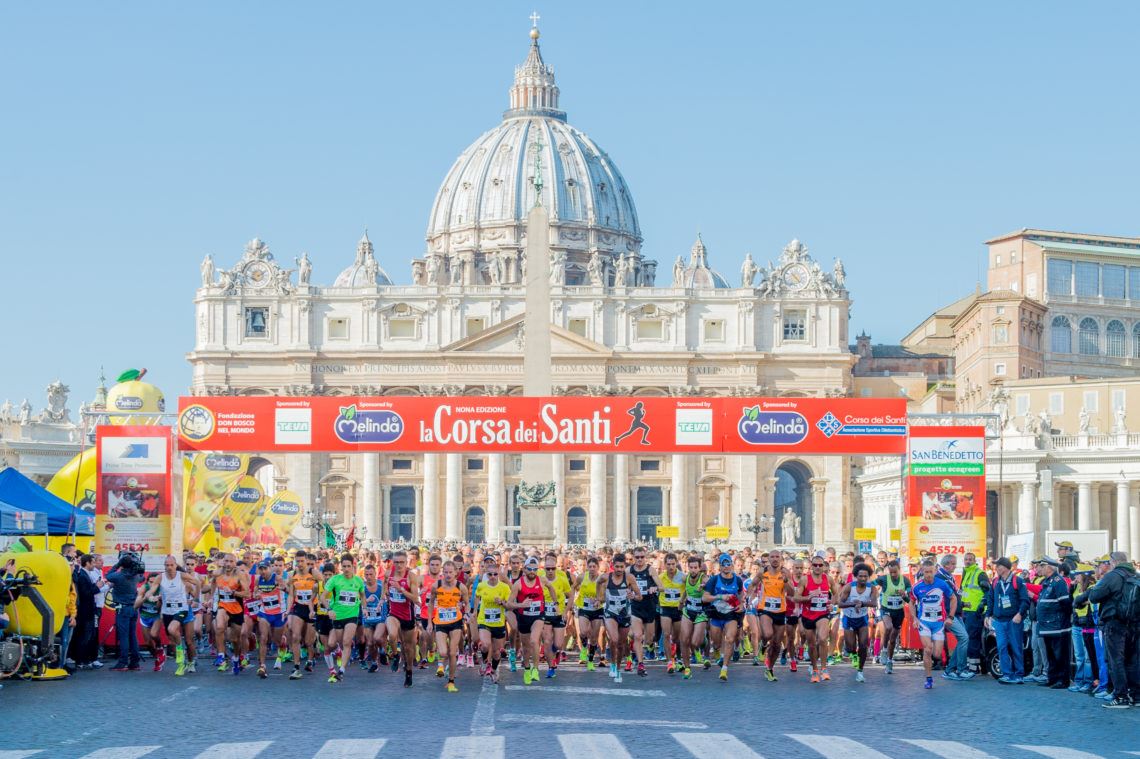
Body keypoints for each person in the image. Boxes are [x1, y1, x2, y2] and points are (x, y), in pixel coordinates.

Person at [1074, 550, 1139, 708]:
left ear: (1114, 562)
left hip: (1115, 622)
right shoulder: (1136, 576)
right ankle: (1136, 696)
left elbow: (1095, 596)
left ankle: (1120, 696)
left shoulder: (1113, 576)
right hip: (1135, 623)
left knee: (1115, 660)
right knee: (1133, 660)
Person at [507, 556, 556, 685]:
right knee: (526, 647)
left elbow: (551, 588)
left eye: (535, 569)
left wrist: (555, 602)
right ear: (524, 569)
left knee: (534, 641)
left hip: (538, 616)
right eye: (530, 569)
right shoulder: (518, 584)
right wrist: (520, 605)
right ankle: (527, 668)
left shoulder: (542, 580)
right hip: (523, 617)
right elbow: (509, 604)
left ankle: (535, 668)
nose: (532, 572)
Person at [911, 559, 957, 690]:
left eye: (931, 572)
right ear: (922, 571)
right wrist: (915, 618)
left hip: (938, 623)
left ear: (935, 571)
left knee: (937, 654)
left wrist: (951, 617)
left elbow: (953, 598)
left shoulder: (941, 584)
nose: (929, 575)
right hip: (924, 622)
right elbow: (911, 602)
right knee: (928, 649)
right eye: (926, 572)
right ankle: (928, 678)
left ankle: (933, 662)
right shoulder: (917, 586)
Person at [794, 554, 838, 683]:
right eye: (815, 565)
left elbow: (836, 594)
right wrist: (808, 597)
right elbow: (796, 598)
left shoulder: (828, 579)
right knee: (812, 645)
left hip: (822, 613)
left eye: (820, 565)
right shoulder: (805, 580)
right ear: (811, 566)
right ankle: (814, 669)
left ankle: (824, 668)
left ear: (824, 566)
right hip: (808, 615)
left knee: (823, 639)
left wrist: (832, 604)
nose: (818, 567)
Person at [702, 553, 745, 682]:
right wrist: (720, 597)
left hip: (731, 613)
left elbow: (741, 595)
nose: (726, 567)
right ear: (719, 567)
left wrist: (741, 605)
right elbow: (704, 597)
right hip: (716, 613)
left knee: (730, 639)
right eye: (723, 564)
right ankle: (716, 651)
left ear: (732, 565)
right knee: (716, 642)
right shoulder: (714, 580)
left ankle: (724, 669)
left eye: (728, 564)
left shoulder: (737, 580)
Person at [986, 557, 1029, 684]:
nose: (996, 568)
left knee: (1016, 647)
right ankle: (1007, 674)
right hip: (998, 621)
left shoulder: (1018, 581)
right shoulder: (995, 582)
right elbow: (990, 599)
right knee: (1001, 647)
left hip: (1013, 620)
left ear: (1004, 567)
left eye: (998, 566)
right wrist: (988, 615)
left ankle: (1019, 674)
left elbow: (1024, 600)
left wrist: (1020, 614)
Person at [428, 559, 469, 693]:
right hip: (440, 621)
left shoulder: (461, 587)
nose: (448, 575)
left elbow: (467, 603)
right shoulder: (436, 585)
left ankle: (451, 681)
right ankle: (440, 664)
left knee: (452, 652)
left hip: (455, 621)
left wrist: (467, 614)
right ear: (442, 573)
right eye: (445, 572)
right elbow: (430, 603)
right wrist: (429, 622)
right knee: (443, 652)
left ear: (456, 573)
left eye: (450, 572)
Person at [323, 553, 364, 683]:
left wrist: (365, 608)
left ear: (353, 566)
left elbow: (362, 595)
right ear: (341, 567)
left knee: (346, 642)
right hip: (337, 616)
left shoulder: (358, 580)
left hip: (352, 615)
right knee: (339, 642)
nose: (346, 569)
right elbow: (323, 597)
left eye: (349, 566)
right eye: (344, 566)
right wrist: (329, 609)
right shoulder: (335, 580)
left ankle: (341, 671)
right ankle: (345, 649)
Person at [1035, 556, 1073, 690]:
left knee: (1060, 655)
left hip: (1057, 626)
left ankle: (1062, 680)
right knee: (1051, 655)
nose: (1040, 568)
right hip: (1047, 626)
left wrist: (1062, 620)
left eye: (1042, 566)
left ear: (1049, 567)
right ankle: (1052, 678)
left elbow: (1065, 604)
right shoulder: (1047, 581)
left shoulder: (1058, 582)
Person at [838, 562, 878, 683]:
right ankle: (853, 654)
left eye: (865, 576)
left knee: (863, 645)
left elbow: (874, 603)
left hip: (862, 618)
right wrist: (853, 603)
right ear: (856, 576)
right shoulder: (849, 587)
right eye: (860, 576)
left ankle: (860, 671)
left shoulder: (872, 588)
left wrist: (862, 604)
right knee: (850, 647)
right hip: (849, 618)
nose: (863, 578)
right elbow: (840, 603)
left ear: (869, 577)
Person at [474, 557, 511, 683]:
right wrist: (474, 612)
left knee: (496, 652)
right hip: (484, 620)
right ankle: (485, 663)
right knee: (485, 645)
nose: (493, 576)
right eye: (490, 574)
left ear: (499, 574)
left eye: (495, 574)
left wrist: (502, 602)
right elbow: (477, 597)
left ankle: (494, 669)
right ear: (486, 574)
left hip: (499, 622)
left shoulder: (504, 588)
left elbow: (509, 605)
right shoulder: (481, 586)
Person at [106, 552, 144, 672]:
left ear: (122, 564)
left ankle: (123, 662)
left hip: (122, 609)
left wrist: (118, 564)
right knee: (132, 636)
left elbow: (108, 575)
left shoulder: (118, 576)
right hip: (133, 609)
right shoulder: (136, 576)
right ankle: (135, 662)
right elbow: (142, 576)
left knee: (123, 636)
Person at [936, 554, 971, 680]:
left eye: (955, 564)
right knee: (964, 638)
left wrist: (962, 604)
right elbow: (945, 599)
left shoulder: (948, 576)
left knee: (963, 639)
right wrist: (948, 616)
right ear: (946, 564)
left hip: (955, 612)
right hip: (948, 614)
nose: (955, 566)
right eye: (953, 564)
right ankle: (960, 669)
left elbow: (955, 593)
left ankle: (950, 670)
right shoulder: (940, 577)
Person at [873, 559, 911, 674]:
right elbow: (871, 583)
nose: (893, 574)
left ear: (899, 570)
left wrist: (904, 594)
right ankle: (884, 650)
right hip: (886, 609)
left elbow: (908, 598)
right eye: (891, 572)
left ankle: (889, 661)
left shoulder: (905, 580)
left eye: (895, 572)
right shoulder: (884, 579)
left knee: (893, 639)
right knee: (888, 628)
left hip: (899, 611)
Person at [285, 552, 318, 679]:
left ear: (306, 561)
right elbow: (291, 595)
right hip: (298, 607)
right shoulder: (292, 574)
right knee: (295, 636)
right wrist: (288, 610)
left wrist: (316, 591)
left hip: (312, 609)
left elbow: (323, 588)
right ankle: (296, 667)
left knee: (308, 641)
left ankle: (310, 659)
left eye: (301, 561)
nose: (299, 564)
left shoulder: (314, 573)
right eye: (297, 561)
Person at [253, 560, 286, 679]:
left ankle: (281, 648)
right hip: (265, 612)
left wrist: (282, 587)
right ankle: (262, 666)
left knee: (276, 640)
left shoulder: (277, 578)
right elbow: (254, 592)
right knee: (263, 638)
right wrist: (256, 594)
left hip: (278, 613)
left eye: (265, 569)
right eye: (260, 569)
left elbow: (286, 589)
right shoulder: (258, 579)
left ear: (270, 568)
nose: (262, 571)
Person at [959, 552, 990, 674]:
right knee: (969, 639)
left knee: (972, 639)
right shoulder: (966, 573)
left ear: (974, 560)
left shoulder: (979, 573)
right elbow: (963, 592)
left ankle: (974, 667)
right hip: (966, 611)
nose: (968, 561)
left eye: (970, 559)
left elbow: (988, 592)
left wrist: (982, 606)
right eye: (966, 559)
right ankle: (972, 665)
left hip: (975, 612)